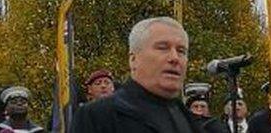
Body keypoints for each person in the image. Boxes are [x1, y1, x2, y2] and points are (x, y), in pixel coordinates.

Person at [72, 16, 203, 133]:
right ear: (133, 59)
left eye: (181, 51)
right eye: (162, 48)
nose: (175, 58)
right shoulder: (99, 116)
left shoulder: (190, 121)